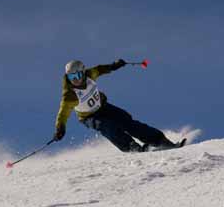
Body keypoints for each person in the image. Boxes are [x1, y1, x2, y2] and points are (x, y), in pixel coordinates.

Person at [53, 59, 185, 152]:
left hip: (103, 107)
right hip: (89, 117)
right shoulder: (70, 95)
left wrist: (114, 66)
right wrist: (60, 128)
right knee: (107, 126)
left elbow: (100, 69)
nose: (75, 80)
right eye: (71, 77)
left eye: (77, 75)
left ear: (83, 72)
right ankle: (132, 147)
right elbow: (63, 113)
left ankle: (160, 141)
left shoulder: (90, 75)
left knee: (126, 121)